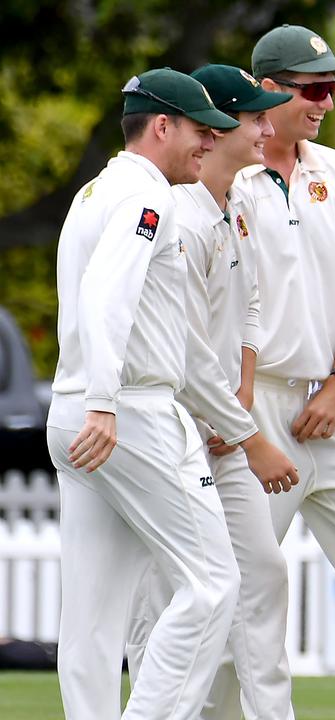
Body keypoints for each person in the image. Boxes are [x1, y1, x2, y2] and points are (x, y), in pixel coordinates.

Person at [46, 67, 243, 719]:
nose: (210, 146)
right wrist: (107, 401)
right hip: (124, 411)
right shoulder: (145, 197)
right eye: (200, 132)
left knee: (91, 623)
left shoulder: (95, 191)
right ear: (162, 126)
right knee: (213, 584)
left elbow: (150, 324)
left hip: (79, 409)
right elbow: (108, 297)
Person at [126, 64, 303, 720]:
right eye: (255, 117)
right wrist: (241, 428)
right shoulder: (180, 216)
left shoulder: (234, 204)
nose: (266, 127)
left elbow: (248, 310)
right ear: (219, 124)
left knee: (261, 575)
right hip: (176, 432)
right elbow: (186, 347)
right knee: (170, 595)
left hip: (223, 429)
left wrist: (242, 401)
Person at [234, 23, 335, 693]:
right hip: (254, 399)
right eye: (313, 89)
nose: (327, 102)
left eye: (332, 87)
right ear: (266, 90)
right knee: (245, 588)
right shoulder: (229, 172)